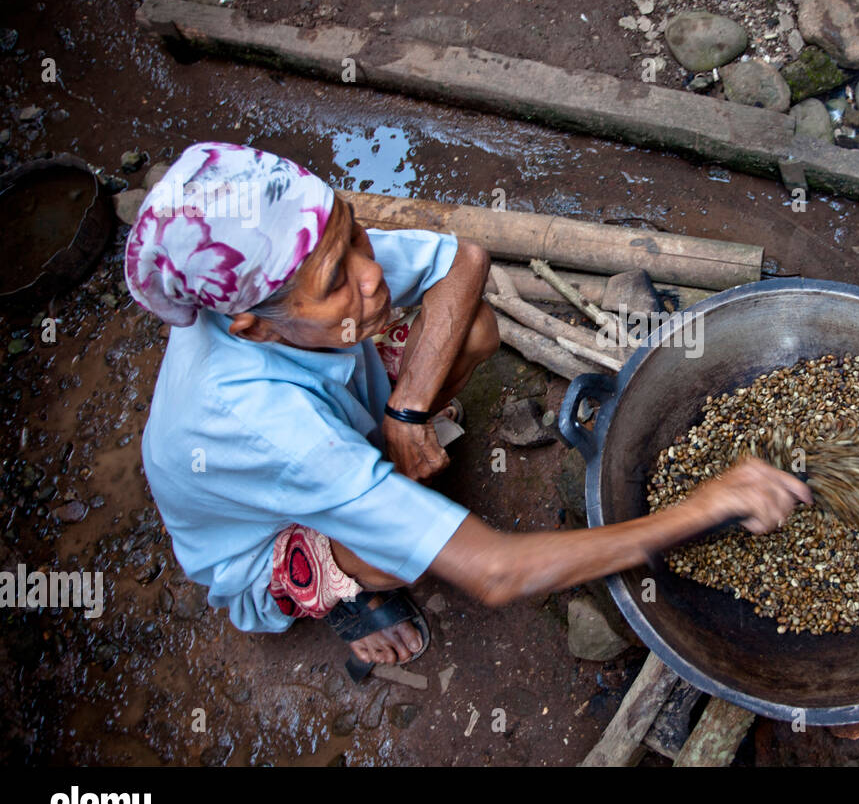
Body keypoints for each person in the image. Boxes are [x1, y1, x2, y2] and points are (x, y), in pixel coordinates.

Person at [127, 142, 810, 679]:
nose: (370, 275)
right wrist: (707, 507)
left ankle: (383, 462)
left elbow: (464, 258)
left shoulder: (308, 266)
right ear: (250, 326)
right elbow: (496, 571)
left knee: (475, 326)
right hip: (264, 535)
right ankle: (348, 600)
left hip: (344, 424)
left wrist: (408, 409)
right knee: (394, 558)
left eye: (355, 233)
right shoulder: (258, 423)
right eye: (338, 280)